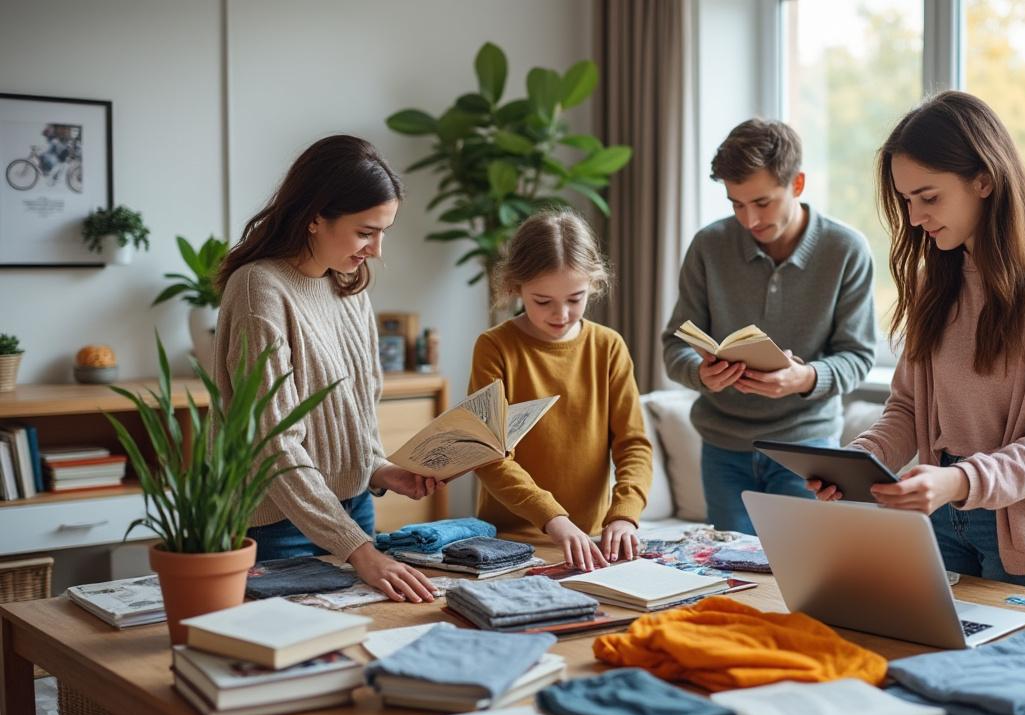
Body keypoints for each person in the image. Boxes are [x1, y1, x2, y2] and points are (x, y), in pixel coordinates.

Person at [810, 91, 1025, 596]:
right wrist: (858, 463)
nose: (913, 218)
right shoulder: (937, 278)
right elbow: (907, 407)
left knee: (1012, 675)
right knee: (926, 666)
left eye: (929, 197)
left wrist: (960, 482)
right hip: (942, 516)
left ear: (984, 179)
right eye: (907, 201)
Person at [214, 134, 441, 603]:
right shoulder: (260, 289)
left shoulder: (348, 287)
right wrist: (357, 548)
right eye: (365, 232)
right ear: (315, 217)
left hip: (354, 512)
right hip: (280, 524)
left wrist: (378, 469)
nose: (376, 250)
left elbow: (347, 417)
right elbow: (274, 445)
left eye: (383, 232)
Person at [661, 118, 877, 534]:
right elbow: (675, 344)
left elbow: (859, 355)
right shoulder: (709, 246)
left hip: (805, 447)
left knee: (804, 580)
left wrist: (805, 378)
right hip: (722, 449)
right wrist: (699, 372)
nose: (748, 220)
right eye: (735, 204)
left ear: (797, 184)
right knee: (732, 581)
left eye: (762, 202)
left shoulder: (845, 250)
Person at [470, 209, 653, 571]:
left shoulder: (608, 346)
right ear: (515, 286)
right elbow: (488, 455)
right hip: (509, 544)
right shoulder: (495, 347)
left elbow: (633, 445)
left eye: (575, 298)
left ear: (594, 285)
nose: (562, 314)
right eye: (543, 301)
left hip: (592, 542)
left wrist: (624, 515)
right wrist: (554, 519)